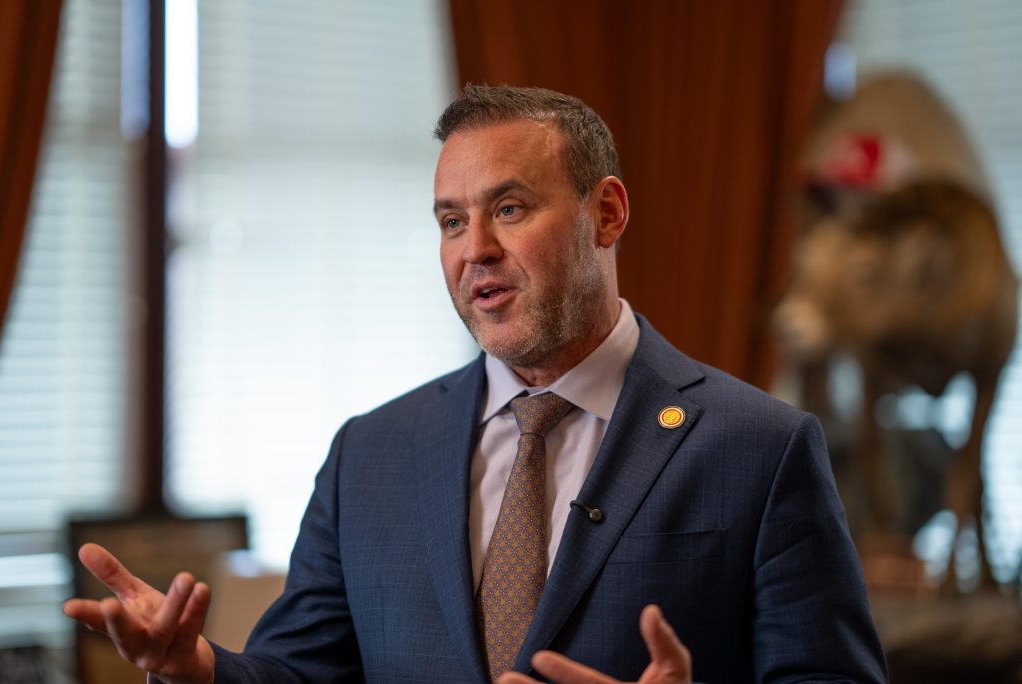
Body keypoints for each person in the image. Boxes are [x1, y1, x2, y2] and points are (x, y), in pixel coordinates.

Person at [64, 85, 888, 683]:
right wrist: (199, 668)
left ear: (606, 214)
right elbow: (302, 672)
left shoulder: (760, 448)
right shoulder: (370, 456)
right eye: (452, 220)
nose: (475, 249)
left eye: (511, 208)